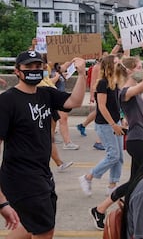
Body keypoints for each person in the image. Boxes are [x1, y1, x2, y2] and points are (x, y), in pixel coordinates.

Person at [0, 50, 87, 238]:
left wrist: (82, 74)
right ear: (17, 71)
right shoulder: (7, 101)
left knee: (26, 226)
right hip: (21, 177)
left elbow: (75, 101)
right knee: (45, 229)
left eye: (38, 66)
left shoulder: (46, 94)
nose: (34, 70)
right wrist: (1, 200)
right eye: (29, 67)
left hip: (42, 173)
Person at [89, 43, 143, 230]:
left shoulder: (136, 95)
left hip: (141, 139)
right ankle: (101, 209)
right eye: (140, 66)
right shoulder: (125, 92)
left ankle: (111, 210)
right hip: (135, 141)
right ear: (131, 71)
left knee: (136, 180)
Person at [79, 54, 125, 196]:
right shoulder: (102, 83)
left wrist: (121, 119)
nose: (119, 65)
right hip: (105, 124)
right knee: (113, 155)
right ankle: (88, 177)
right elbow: (102, 107)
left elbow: (116, 104)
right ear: (109, 66)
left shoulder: (115, 81)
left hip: (115, 122)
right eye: (116, 63)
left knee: (119, 157)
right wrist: (113, 124)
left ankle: (112, 185)